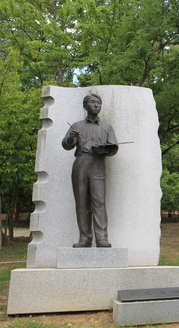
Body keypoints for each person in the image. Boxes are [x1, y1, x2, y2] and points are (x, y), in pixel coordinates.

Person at [62, 94, 118, 248]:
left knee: (99, 202)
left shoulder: (107, 127)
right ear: (85, 106)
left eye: (98, 102)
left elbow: (113, 148)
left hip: (98, 163)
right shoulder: (76, 126)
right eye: (92, 102)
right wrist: (70, 139)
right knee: (82, 203)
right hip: (81, 162)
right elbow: (66, 145)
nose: (96, 105)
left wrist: (104, 150)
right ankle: (85, 239)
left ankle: (102, 238)